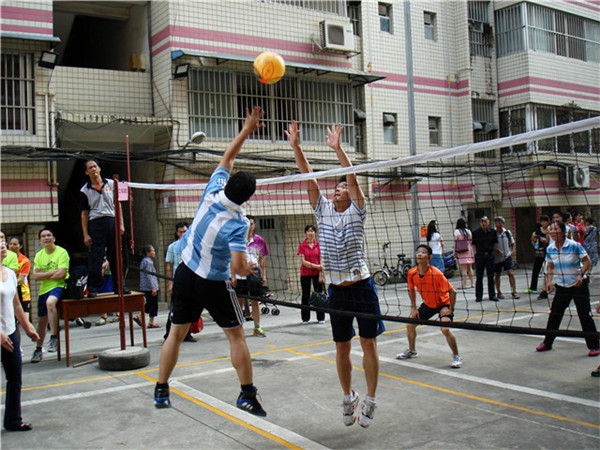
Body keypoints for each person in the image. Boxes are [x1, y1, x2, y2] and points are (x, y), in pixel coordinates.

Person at [155, 106, 267, 417]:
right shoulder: (238, 223)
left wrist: (246, 130)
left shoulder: (213, 190)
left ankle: (161, 389)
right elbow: (238, 268)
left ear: (228, 184)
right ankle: (247, 394)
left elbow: (227, 158)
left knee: (175, 333)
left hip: (185, 273)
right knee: (237, 336)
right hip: (211, 282)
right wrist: (249, 267)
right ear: (247, 198)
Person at [286, 120, 383, 428]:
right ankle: (347, 396)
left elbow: (351, 176)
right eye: (336, 186)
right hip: (337, 290)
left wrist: (338, 148)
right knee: (342, 346)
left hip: (362, 287)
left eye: (342, 187)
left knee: (368, 343)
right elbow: (309, 176)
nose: (338, 188)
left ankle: (371, 399)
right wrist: (297, 147)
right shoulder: (323, 210)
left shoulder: (358, 209)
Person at [535, 221, 599, 356]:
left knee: (584, 315)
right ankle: (547, 342)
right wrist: (549, 281)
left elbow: (587, 261)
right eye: (551, 230)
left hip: (578, 285)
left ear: (563, 231)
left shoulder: (574, 245)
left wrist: (581, 276)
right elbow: (550, 266)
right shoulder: (550, 249)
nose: (553, 232)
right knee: (555, 314)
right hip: (562, 286)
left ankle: (594, 345)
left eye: (556, 229)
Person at [396, 245, 462, 368]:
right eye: (418, 252)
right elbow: (411, 290)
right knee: (410, 325)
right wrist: (414, 308)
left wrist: (450, 309)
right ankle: (412, 351)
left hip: (443, 304)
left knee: (445, 329)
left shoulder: (436, 273)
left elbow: (453, 292)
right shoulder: (412, 273)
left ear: (429, 257)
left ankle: (456, 356)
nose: (420, 254)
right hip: (429, 304)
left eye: (423, 252)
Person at [1, 240, 40, 431]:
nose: (2, 245)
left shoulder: (9, 273)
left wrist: (27, 327)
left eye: (2, 241)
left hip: (10, 333)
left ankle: (13, 420)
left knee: (15, 377)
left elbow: (16, 304)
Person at [79, 159, 130, 298]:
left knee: (116, 255)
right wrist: (85, 234)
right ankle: (93, 288)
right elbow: (84, 214)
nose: (93, 169)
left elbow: (118, 204)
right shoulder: (84, 190)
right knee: (96, 256)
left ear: (99, 168)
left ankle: (120, 286)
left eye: (95, 166)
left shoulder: (112, 184)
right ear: (86, 172)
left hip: (112, 220)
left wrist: (121, 224)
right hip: (96, 223)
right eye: (90, 167)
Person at [30, 228, 69, 363]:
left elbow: (62, 274)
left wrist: (44, 275)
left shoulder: (62, 252)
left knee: (50, 303)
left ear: (54, 238)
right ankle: (38, 349)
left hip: (58, 286)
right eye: (43, 236)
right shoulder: (39, 255)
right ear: (40, 241)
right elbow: (35, 276)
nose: (46, 238)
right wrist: (53, 272)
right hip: (43, 289)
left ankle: (54, 337)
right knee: (42, 321)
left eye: (49, 235)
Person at [235, 216, 269, 337]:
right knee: (239, 301)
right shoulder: (237, 239)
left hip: (254, 274)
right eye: (247, 223)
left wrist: (263, 275)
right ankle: (238, 329)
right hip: (240, 275)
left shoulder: (259, 240)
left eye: (252, 224)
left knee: (255, 301)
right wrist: (232, 275)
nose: (250, 226)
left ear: (254, 225)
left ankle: (257, 327)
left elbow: (262, 259)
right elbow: (232, 258)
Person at [164, 221, 195, 342]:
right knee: (175, 308)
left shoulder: (192, 245)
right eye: (180, 232)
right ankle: (169, 334)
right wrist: (170, 283)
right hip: (178, 281)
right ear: (177, 233)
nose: (183, 234)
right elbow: (169, 266)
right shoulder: (172, 247)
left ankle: (187, 334)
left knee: (190, 307)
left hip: (190, 279)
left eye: (185, 232)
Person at [297, 224, 325, 324]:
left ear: (314, 233)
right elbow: (303, 262)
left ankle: (321, 318)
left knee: (319, 295)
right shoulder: (302, 246)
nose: (310, 233)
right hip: (305, 274)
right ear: (305, 233)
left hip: (317, 274)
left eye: (312, 231)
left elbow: (321, 261)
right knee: (305, 295)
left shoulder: (319, 245)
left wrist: (321, 274)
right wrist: (318, 266)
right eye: (308, 231)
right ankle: (305, 318)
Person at [7, 236, 32, 339]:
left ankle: (36, 339)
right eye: (10, 244)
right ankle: (17, 346)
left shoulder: (24, 261)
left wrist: (7, 283)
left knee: (24, 321)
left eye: (15, 244)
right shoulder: (4, 258)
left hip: (22, 292)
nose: (12, 246)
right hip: (10, 292)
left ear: (20, 246)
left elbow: (21, 279)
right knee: (13, 323)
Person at [472, 216, 498, 302]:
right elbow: (474, 244)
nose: (484, 223)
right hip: (480, 256)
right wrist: (480, 251)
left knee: (491, 276)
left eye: (485, 221)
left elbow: (494, 243)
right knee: (479, 276)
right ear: (480, 223)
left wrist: (489, 250)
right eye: (482, 221)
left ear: (489, 222)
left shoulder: (493, 232)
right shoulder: (476, 233)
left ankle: (492, 295)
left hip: (490, 256)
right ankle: (479, 296)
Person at [493, 216, 519, 299]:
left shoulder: (507, 232)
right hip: (497, 258)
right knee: (497, 274)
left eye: (500, 222)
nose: (498, 224)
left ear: (503, 224)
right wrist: (496, 250)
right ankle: (499, 292)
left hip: (507, 256)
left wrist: (513, 251)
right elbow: (490, 245)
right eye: (497, 223)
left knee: (511, 273)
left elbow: (512, 242)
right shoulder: (493, 233)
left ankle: (514, 291)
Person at [136, 245, 160, 328]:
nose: (154, 252)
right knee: (153, 304)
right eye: (152, 251)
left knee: (149, 303)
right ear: (147, 253)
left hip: (145, 286)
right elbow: (149, 275)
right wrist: (153, 287)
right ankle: (151, 322)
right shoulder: (148, 262)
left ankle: (139, 316)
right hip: (150, 287)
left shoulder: (144, 261)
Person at [526, 215, 549, 299]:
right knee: (536, 269)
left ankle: (547, 287)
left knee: (548, 270)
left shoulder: (550, 230)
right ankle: (533, 287)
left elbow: (549, 240)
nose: (543, 223)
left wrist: (545, 240)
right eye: (542, 221)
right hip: (539, 251)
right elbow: (533, 241)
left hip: (548, 251)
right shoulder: (537, 230)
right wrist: (534, 239)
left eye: (545, 221)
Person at [453, 218, 474, 289]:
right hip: (469, 249)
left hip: (461, 250)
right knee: (470, 268)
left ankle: (464, 284)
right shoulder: (468, 231)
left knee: (464, 269)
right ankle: (472, 283)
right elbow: (471, 240)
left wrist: (454, 251)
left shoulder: (457, 231)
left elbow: (455, 241)